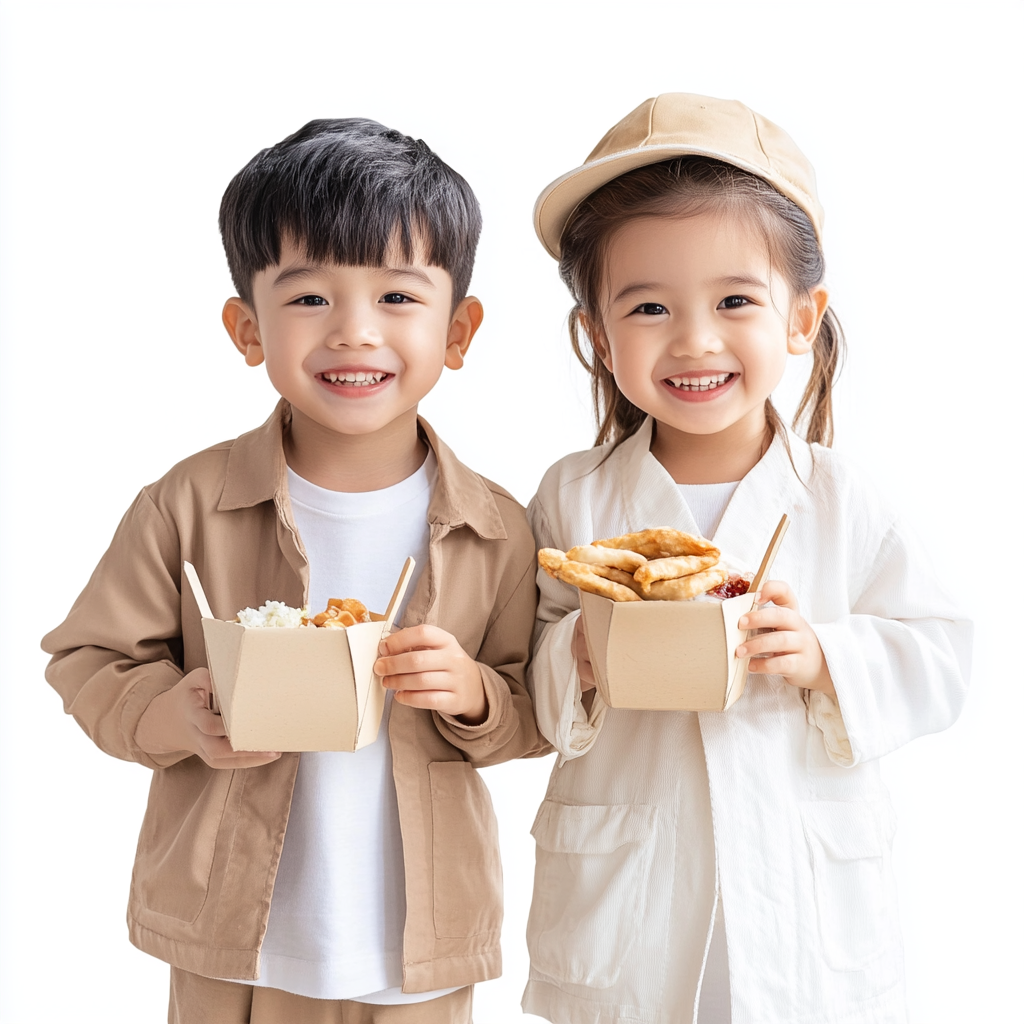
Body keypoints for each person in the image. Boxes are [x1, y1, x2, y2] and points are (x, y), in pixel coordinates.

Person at [41, 118, 546, 1024]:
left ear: (459, 331)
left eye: (398, 297)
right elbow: (88, 658)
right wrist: (177, 715)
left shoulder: (497, 527)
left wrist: (473, 694)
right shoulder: (189, 503)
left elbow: (534, 708)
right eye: (309, 298)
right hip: (234, 937)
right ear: (247, 328)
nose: (355, 333)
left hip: (416, 944)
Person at [522, 93, 971, 1024]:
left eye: (735, 300)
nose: (695, 340)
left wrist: (825, 659)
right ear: (600, 339)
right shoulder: (575, 497)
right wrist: (582, 659)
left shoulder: (843, 500)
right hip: (629, 897)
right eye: (648, 307)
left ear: (802, 317)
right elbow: (525, 658)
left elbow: (940, 655)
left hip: (803, 893)